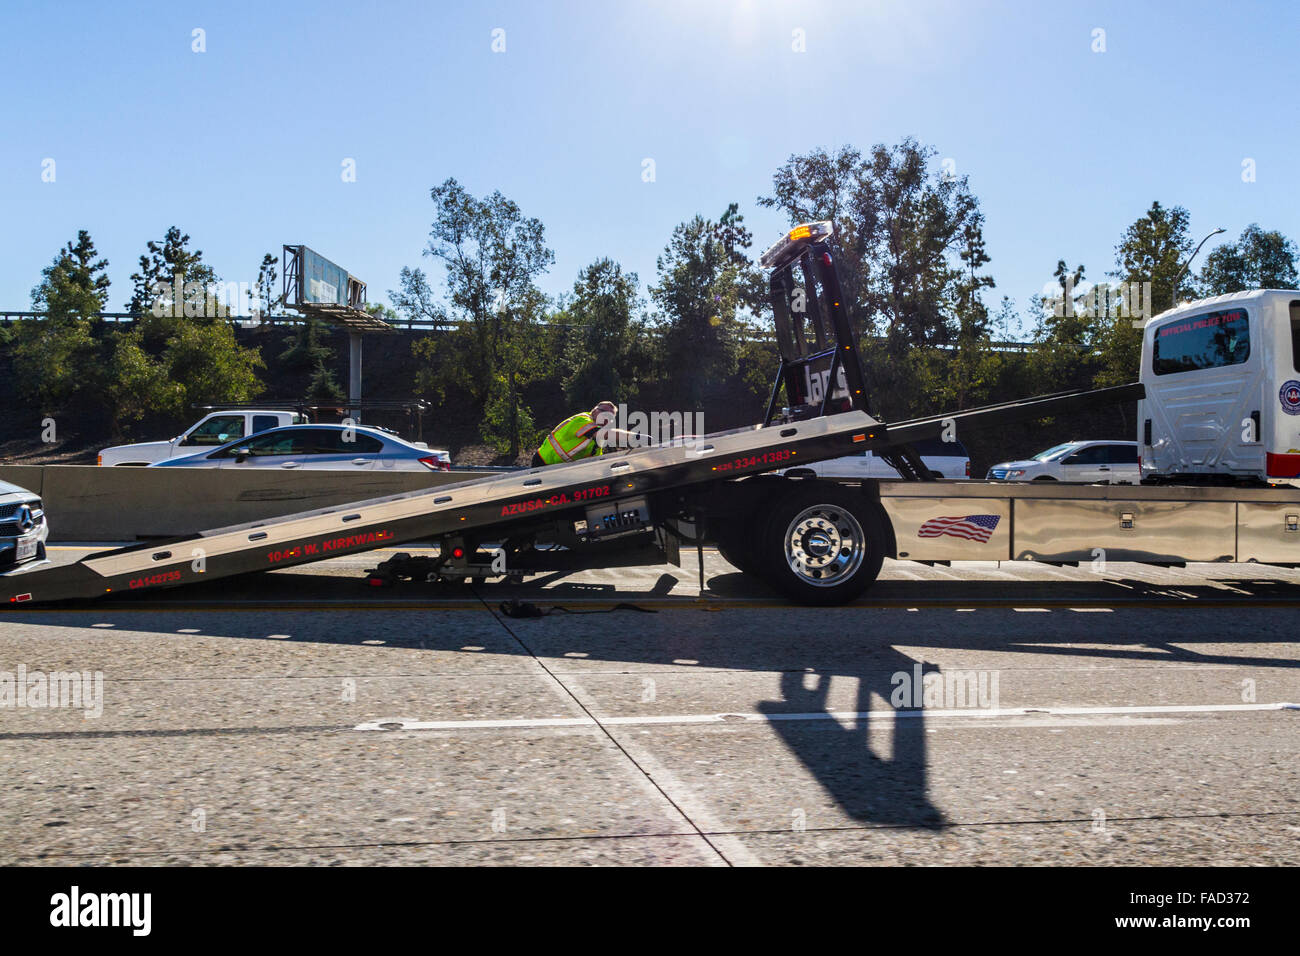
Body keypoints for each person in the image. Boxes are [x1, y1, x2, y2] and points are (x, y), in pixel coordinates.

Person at [532, 401, 625, 467]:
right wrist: (635, 437)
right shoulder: (583, 419)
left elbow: (595, 459)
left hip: (561, 467)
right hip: (543, 462)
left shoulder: (597, 440)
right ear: (596, 410)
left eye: (611, 418)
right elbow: (604, 434)